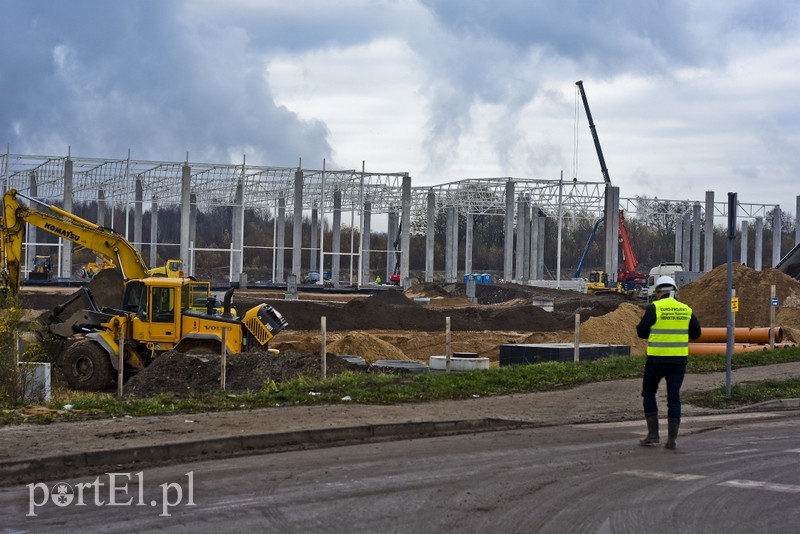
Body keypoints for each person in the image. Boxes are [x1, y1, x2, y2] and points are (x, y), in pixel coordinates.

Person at [636, 275, 701, 449]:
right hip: (678, 361)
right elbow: (696, 333)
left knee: (649, 393)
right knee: (674, 398)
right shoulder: (685, 309)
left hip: (656, 360)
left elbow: (641, 332)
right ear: (674, 291)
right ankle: (672, 439)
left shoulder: (655, 308)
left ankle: (653, 434)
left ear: (658, 292)